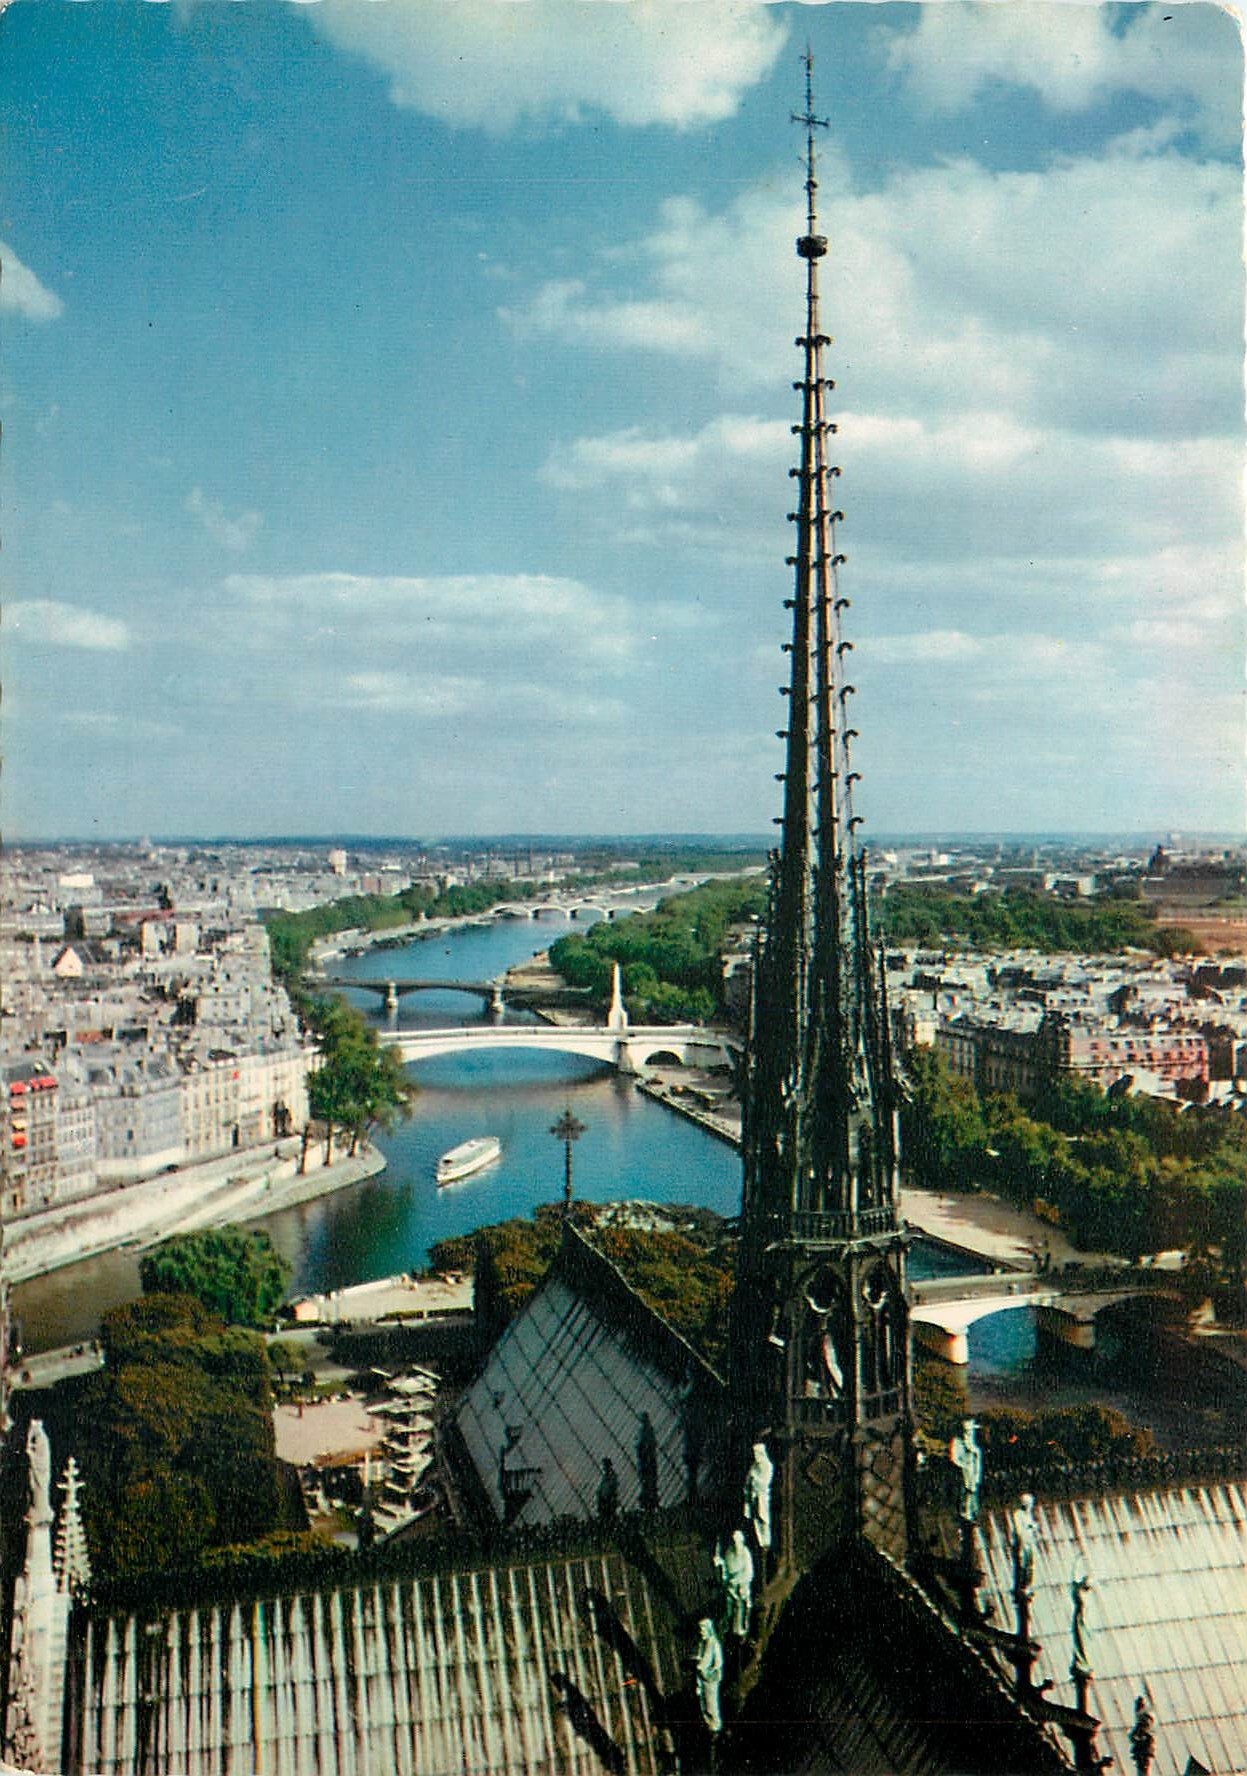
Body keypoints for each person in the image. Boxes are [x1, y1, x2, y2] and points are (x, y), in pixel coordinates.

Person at [714, 1529, 755, 1639]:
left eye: (738, 1541)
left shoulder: (745, 1553)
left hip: (742, 1586)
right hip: (731, 1588)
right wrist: (721, 1565)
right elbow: (726, 1572)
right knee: (729, 1611)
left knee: (741, 1606)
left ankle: (741, 1630)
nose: (736, 1544)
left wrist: (738, 1581)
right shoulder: (729, 1552)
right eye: (734, 1541)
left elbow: (749, 1573)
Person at [948, 1418, 983, 1524]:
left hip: (973, 1473)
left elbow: (978, 1462)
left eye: (971, 1431)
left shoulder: (975, 1444)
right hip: (963, 1474)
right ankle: (964, 1515)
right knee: (964, 1494)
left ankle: (972, 1515)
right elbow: (954, 1458)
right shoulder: (958, 1442)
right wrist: (964, 1466)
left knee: (973, 1494)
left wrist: (977, 1475)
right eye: (967, 1431)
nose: (969, 1433)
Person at [695, 1618, 724, 1735]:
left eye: (703, 1630)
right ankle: (708, 1724)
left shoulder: (713, 1644)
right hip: (702, 1677)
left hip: (710, 1679)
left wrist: (709, 1671)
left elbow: (718, 1662)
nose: (701, 1632)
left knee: (711, 1704)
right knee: (703, 1702)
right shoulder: (703, 1642)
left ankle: (715, 1726)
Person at [743, 1441, 774, 1551]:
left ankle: (766, 1542)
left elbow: (762, 1482)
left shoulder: (767, 1466)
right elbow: (747, 1484)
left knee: (763, 1519)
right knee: (755, 1520)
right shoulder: (753, 1467)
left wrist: (754, 1480)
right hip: (753, 1496)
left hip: (762, 1497)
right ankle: (760, 1542)